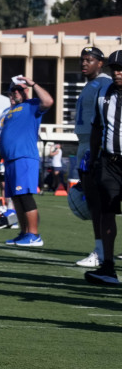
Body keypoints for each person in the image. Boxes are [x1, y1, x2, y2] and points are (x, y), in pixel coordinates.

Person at [0, 76, 52, 247]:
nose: (15, 93)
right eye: (13, 90)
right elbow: (5, 138)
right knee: (16, 198)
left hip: (24, 157)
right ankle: (24, 232)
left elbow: (48, 101)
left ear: (25, 91)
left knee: (24, 195)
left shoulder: (32, 105)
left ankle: (34, 234)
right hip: (10, 160)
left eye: (19, 90)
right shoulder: (9, 111)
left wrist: (33, 84)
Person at [73, 46, 113, 268]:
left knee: (99, 203)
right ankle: (99, 249)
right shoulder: (91, 84)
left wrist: (96, 151)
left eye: (89, 60)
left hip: (94, 145)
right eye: (82, 60)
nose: (83, 63)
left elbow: (105, 119)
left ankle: (100, 251)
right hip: (84, 143)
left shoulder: (104, 83)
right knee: (93, 201)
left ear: (100, 62)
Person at [85, 50, 122, 286]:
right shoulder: (103, 94)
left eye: (121, 69)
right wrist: (92, 158)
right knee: (107, 212)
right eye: (114, 69)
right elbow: (97, 128)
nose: (117, 73)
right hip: (109, 162)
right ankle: (108, 266)